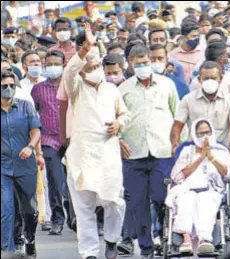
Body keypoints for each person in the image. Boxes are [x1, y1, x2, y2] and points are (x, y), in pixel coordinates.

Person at [63, 23, 130, 259]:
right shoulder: (76, 88)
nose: (96, 70)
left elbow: (124, 114)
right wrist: (85, 49)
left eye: (98, 65)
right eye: (90, 67)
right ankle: (89, 253)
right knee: (84, 209)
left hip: (108, 153)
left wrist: (119, 124)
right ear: (82, 70)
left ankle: (112, 240)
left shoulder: (112, 90)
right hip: (82, 154)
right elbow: (69, 72)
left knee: (115, 201)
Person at [118, 43, 179, 259]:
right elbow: (115, 119)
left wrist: (177, 143)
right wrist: (118, 140)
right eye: (138, 64)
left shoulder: (167, 85)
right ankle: (146, 247)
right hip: (133, 154)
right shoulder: (122, 89)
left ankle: (165, 234)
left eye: (146, 63)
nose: (143, 67)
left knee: (162, 197)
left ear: (151, 62)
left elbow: (177, 114)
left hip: (162, 151)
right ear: (130, 65)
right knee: (137, 202)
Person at [167, 118, 230, 254]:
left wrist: (211, 157)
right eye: (200, 133)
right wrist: (200, 157)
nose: (204, 136)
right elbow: (177, 176)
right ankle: (185, 238)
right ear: (194, 134)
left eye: (207, 132)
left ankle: (204, 240)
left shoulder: (220, 151)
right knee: (186, 199)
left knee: (205, 200)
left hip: (211, 190)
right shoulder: (187, 151)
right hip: (187, 189)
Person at [1, 70, 42, 259]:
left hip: (25, 165)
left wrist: (31, 147)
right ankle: (7, 251)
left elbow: (36, 132)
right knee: (6, 210)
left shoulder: (26, 107)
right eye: (4, 86)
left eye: (11, 86)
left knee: (29, 209)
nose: (8, 89)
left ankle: (30, 240)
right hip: (3, 168)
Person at [170, 60, 230, 154]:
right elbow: (177, 126)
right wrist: (175, 146)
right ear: (199, 79)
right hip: (194, 152)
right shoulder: (188, 99)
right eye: (206, 78)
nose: (210, 81)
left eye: (213, 78)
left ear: (220, 79)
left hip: (221, 151)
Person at [31, 50, 67, 236]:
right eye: (49, 64)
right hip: (49, 139)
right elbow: (35, 113)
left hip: (71, 137)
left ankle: (76, 216)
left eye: (56, 63)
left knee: (75, 180)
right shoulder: (38, 90)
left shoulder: (71, 86)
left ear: (64, 65)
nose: (53, 67)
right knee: (54, 179)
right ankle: (57, 219)